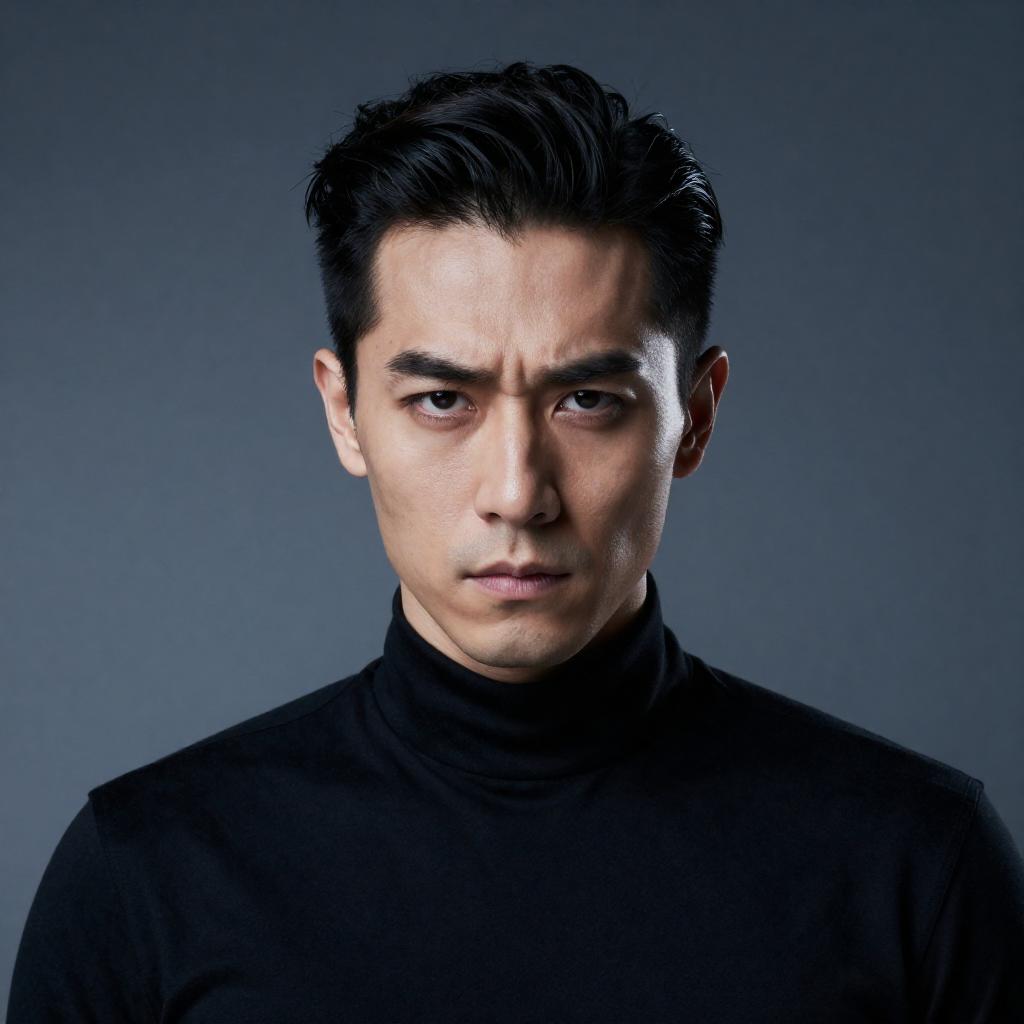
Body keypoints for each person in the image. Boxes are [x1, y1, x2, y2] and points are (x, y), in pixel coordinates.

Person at [8, 60, 1023, 1023]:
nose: (516, 494)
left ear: (696, 417)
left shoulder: (917, 867)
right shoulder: (144, 874)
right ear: (345, 412)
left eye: (588, 400)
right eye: (442, 399)